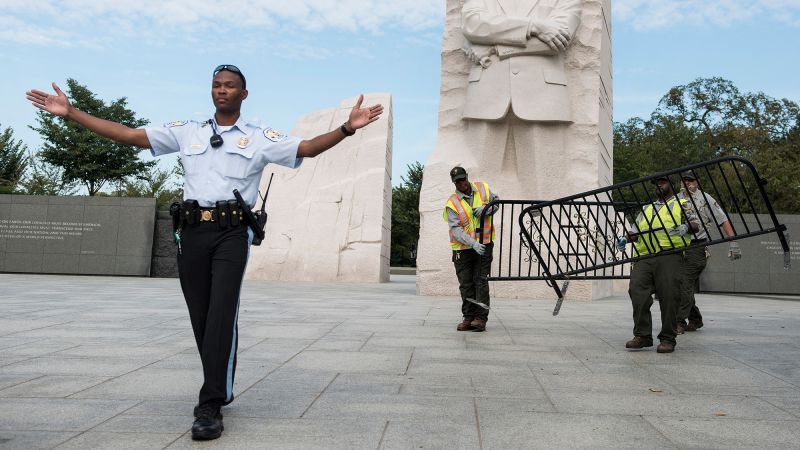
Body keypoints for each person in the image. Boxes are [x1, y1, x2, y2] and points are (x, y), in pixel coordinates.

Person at [25, 65, 383, 441]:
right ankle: (221, 383)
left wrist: (346, 128)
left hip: (232, 232)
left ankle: (209, 403)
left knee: (221, 313)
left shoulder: (260, 136)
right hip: (192, 231)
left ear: (244, 94)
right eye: (216, 85)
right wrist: (72, 113)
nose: (222, 90)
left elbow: (306, 148)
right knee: (201, 315)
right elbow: (131, 136)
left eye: (230, 86)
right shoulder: (188, 130)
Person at [625, 175, 699, 353]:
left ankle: (668, 338)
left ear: (671, 185)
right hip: (645, 256)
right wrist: (625, 238)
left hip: (670, 254)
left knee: (669, 296)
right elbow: (635, 231)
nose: (658, 185)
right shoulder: (647, 208)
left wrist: (686, 227)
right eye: (656, 183)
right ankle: (643, 335)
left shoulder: (681, 204)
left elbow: (696, 224)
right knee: (636, 290)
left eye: (662, 182)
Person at [676, 170, 741, 333]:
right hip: (678, 247)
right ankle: (695, 319)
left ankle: (679, 321)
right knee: (682, 284)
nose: (687, 183)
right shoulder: (676, 199)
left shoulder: (705, 198)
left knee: (685, 281)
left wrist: (733, 240)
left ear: (697, 181)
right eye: (684, 180)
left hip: (697, 247)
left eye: (690, 180)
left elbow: (722, 219)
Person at [443, 166, 498, 332]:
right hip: (463, 249)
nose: (461, 184)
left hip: (485, 245)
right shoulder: (452, 203)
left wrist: (487, 209)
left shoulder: (482, 188)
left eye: (463, 179)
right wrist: (472, 243)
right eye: (457, 182)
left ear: (467, 177)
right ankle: (468, 317)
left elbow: (497, 202)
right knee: (466, 284)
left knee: (481, 281)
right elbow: (456, 230)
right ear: (454, 183)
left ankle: (480, 319)